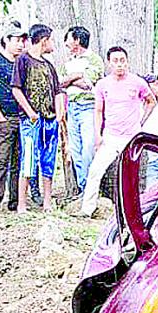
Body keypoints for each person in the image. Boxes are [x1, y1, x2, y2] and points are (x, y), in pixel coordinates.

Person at [80, 45, 156, 216]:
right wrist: (98, 136)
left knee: (131, 177)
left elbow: (151, 100)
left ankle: (135, 211)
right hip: (111, 136)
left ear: (127, 62)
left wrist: (141, 121)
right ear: (109, 63)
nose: (119, 64)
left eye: (122, 61)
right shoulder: (102, 85)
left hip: (132, 137)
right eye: (115, 61)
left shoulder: (137, 82)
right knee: (95, 171)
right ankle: (87, 208)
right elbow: (98, 111)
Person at [11, 23, 65, 213]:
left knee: (48, 159)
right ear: (43, 40)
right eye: (50, 39)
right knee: (28, 160)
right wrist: (30, 112)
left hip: (49, 119)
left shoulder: (49, 65)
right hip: (30, 120)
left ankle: (48, 202)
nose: (52, 44)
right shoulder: (23, 61)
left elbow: (57, 91)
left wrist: (59, 115)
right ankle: (22, 204)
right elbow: (16, 89)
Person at [0, 25, 27, 212]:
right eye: (16, 40)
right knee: (1, 159)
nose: (20, 44)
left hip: (23, 118)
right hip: (5, 117)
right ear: (6, 40)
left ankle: (15, 199)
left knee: (19, 161)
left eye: (22, 41)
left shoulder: (24, 62)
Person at [60, 26, 104, 201]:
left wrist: (72, 79)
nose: (66, 43)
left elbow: (88, 83)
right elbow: (61, 83)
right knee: (75, 150)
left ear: (77, 40)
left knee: (88, 148)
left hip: (88, 106)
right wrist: (75, 77)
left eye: (69, 39)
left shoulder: (94, 60)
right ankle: (82, 187)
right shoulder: (68, 62)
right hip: (72, 106)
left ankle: (89, 188)